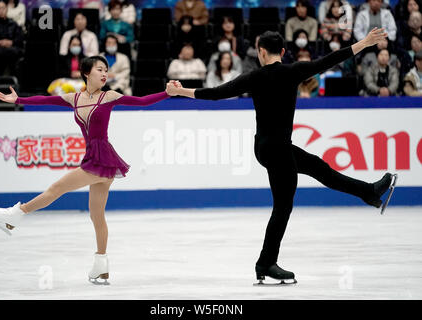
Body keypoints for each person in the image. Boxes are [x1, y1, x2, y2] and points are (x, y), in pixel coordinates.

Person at [166, 28, 395, 284]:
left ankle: (369, 192)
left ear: (261, 52)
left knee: (320, 169)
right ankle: (265, 263)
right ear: (283, 52)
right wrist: (364, 42)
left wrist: (181, 91)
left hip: (266, 148)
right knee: (283, 206)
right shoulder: (293, 71)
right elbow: (330, 59)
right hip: (279, 150)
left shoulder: (255, 76)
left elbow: (217, 93)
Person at [0, 56, 175, 285]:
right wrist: (19, 100)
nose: (105, 73)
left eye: (106, 70)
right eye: (100, 69)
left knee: (57, 188)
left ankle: (14, 216)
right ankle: (101, 266)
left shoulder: (110, 96)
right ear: (87, 73)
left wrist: (167, 93)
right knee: (97, 215)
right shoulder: (74, 98)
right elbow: (46, 101)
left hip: (101, 158)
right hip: (98, 159)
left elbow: (142, 101)